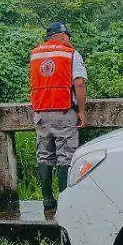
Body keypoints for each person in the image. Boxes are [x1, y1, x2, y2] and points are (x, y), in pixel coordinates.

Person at [29, 22, 87, 211]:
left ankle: (47, 199)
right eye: (68, 36)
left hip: (40, 113)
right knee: (66, 157)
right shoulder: (71, 54)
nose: (70, 40)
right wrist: (81, 110)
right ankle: (65, 200)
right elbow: (79, 83)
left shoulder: (35, 54)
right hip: (64, 111)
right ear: (62, 36)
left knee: (44, 156)